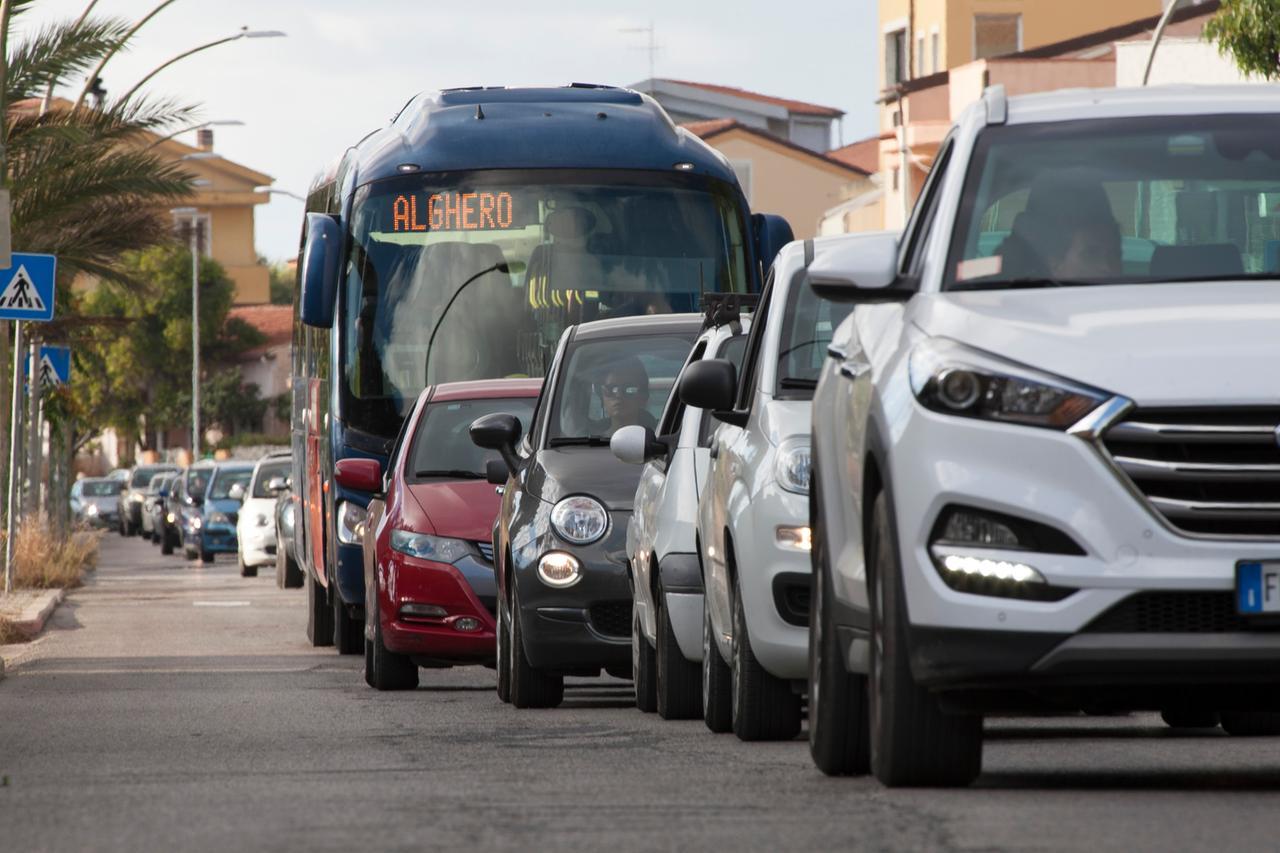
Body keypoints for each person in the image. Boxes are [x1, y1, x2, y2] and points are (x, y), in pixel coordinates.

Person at [997, 175, 1122, 281]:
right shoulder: (997, 299)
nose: (1107, 267)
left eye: (1115, 255)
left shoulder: (1137, 304)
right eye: (1091, 255)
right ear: (1055, 263)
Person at [596, 356, 656, 435]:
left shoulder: (659, 439)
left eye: (629, 389)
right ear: (602, 396)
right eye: (611, 389)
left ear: (643, 397)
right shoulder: (586, 443)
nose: (618, 395)